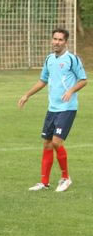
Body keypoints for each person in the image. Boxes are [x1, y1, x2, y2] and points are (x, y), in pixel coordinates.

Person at [18, 28, 87, 192]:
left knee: (56, 142)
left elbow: (83, 80)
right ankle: (44, 182)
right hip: (52, 108)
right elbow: (43, 80)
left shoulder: (72, 59)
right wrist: (27, 95)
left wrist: (71, 91)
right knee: (47, 143)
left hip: (67, 108)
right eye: (55, 39)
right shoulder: (49, 59)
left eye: (60, 40)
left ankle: (66, 178)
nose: (56, 42)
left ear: (66, 42)